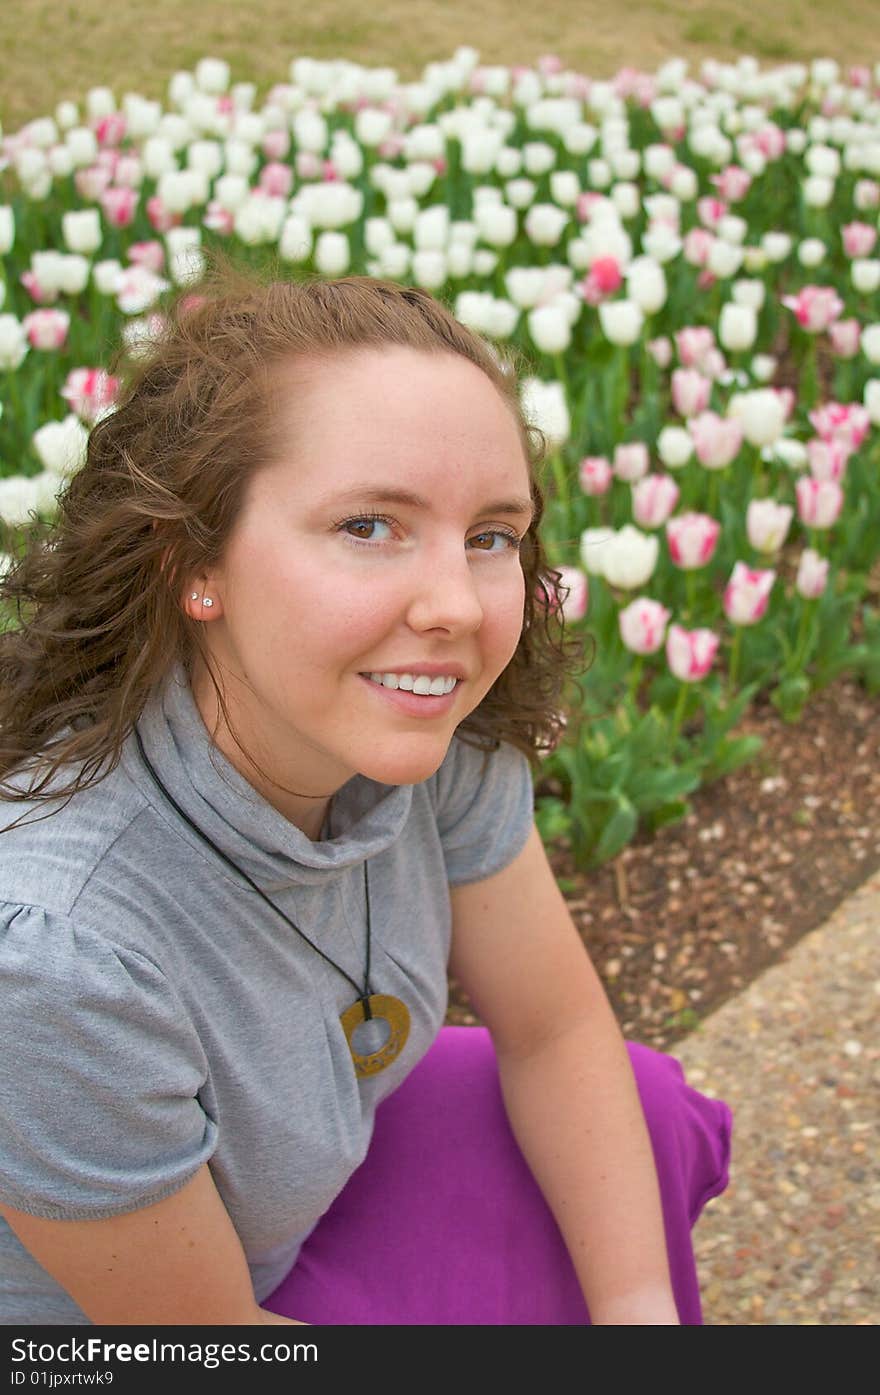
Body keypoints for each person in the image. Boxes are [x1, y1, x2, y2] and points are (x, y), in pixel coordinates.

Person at [0, 263, 731, 1327]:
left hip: (295, 1201)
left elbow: (556, 1033)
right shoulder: (59, 955)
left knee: (640, 1111)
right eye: (367, 526)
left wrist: (638, 1321)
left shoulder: (419, 730)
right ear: (189, 562)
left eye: (489, 535)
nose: (454, 607)